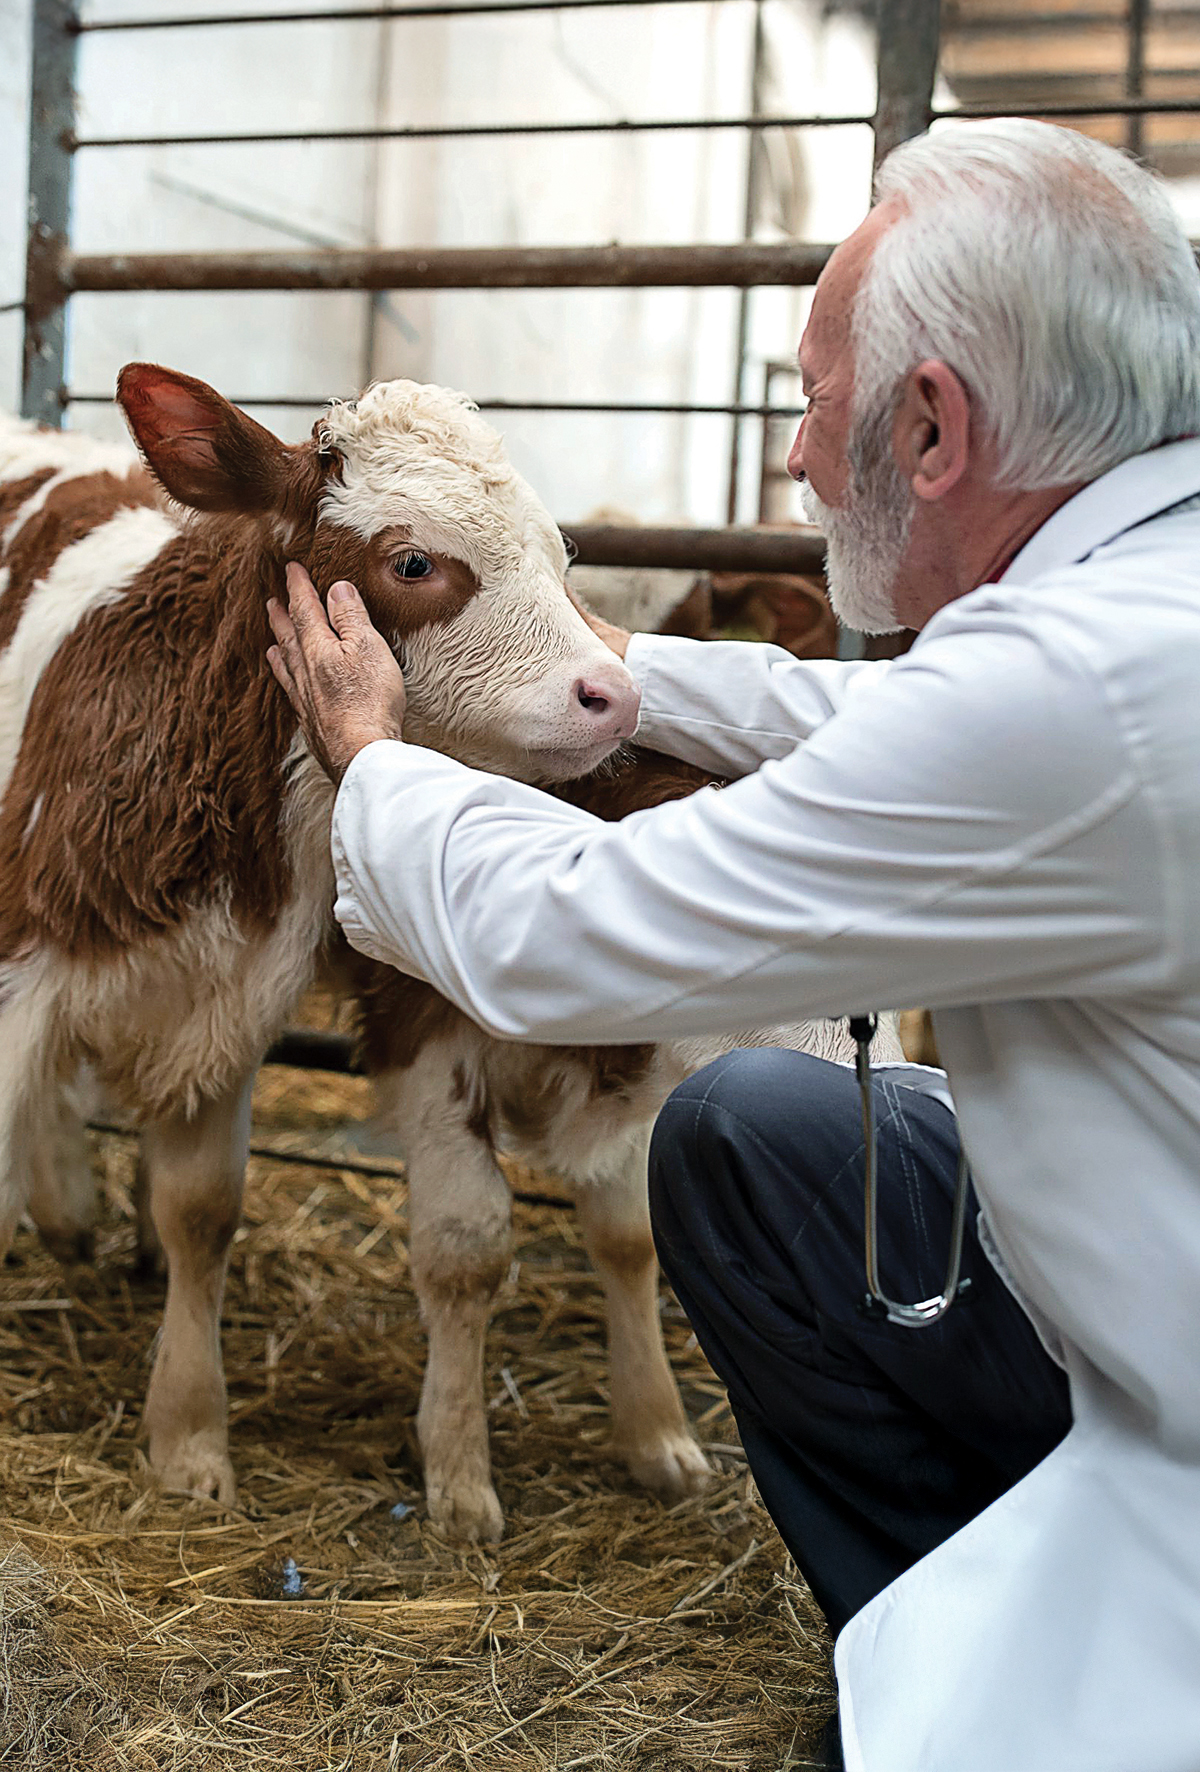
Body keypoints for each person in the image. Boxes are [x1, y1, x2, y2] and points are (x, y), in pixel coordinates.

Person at [266, 119, 1200, 1772]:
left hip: (1169, 1403)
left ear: (933, 428)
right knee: (756, 1134)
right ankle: (961, 1593)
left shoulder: (1089, 694)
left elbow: (567, 938)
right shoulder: (1143, 598)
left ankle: (1005, 1684)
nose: (789, 453)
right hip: (1134, 1272)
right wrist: (612, 664)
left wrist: (378, 751)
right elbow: (906, 714)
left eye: (816, 394)